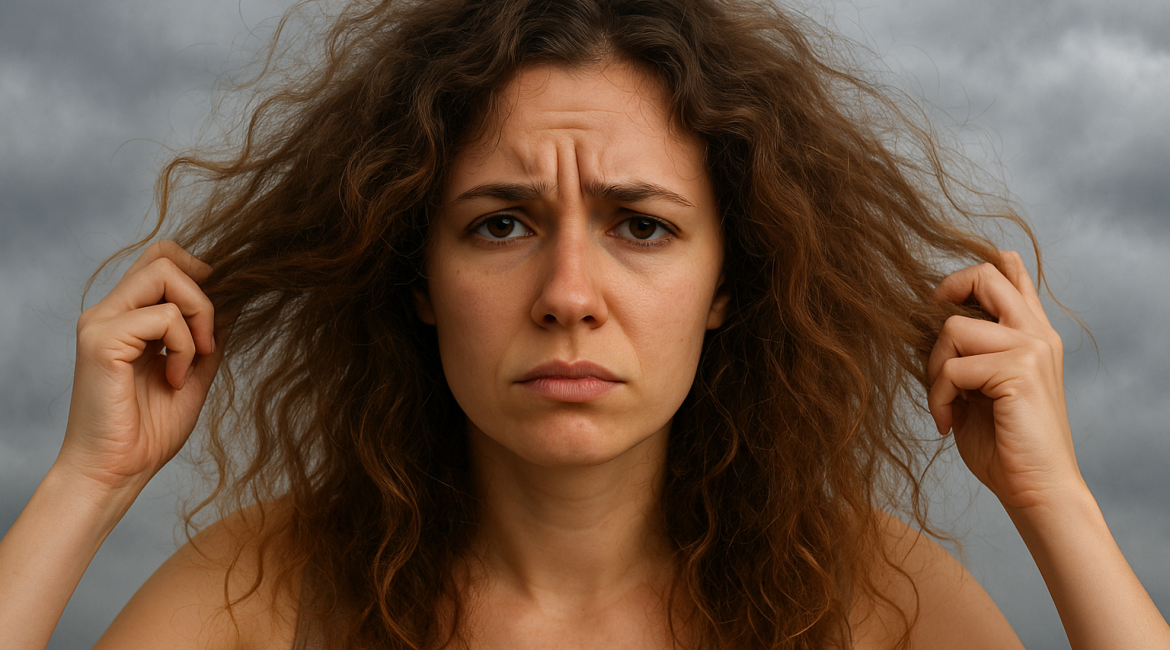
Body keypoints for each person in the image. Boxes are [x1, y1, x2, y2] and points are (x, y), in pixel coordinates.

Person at [1, 0, 1167, 648]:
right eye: (500, 224)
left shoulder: (867, 599)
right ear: (415, 274)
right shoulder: (264, 596)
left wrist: (1052, 500)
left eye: (641, 226)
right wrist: (87, 480)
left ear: (729, 281)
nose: (568, 290)